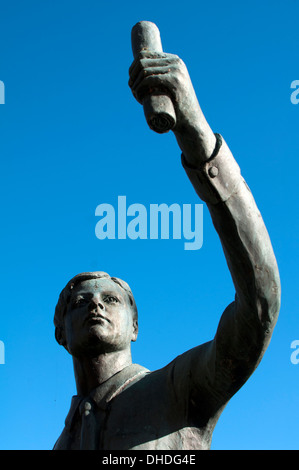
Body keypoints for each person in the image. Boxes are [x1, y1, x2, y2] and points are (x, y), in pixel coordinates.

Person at [53, 48, 280, 450]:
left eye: (111, 299)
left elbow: (259, 305)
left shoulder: (179, 389)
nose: (96, 305)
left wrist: (196, 133)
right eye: (80, 302)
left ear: (135, 326)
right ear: (60, 331)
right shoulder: (62, 441)